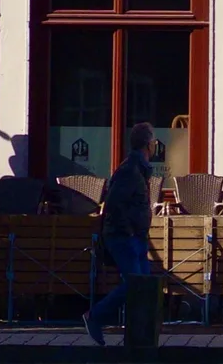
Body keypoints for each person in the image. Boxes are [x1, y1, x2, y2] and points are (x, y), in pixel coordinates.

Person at [82, 121, 156, 347]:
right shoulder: (130, 169)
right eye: (153, 141)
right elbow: (113, 203)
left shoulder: (139, 168)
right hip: (124, 237)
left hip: (136, 237)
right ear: (148, 144)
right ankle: (95, 316)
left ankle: (139, 338)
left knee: (145, 286)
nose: (155, 146)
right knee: (136, 284)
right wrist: (130, 231)